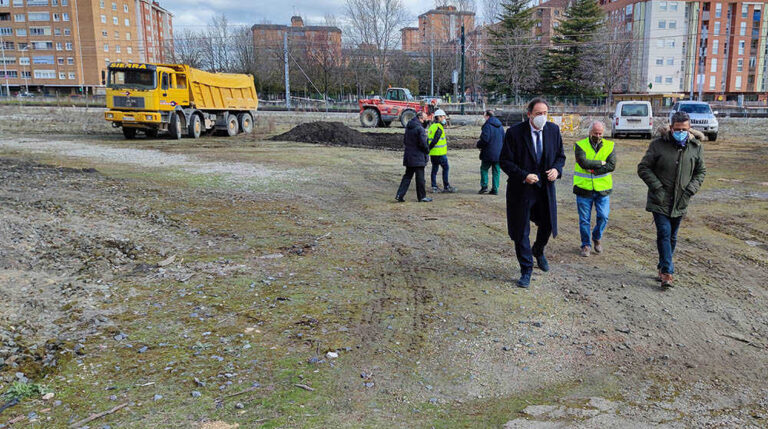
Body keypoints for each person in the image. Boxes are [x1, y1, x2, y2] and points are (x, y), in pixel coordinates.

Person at [499, 97, 566, 288]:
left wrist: (556, 170)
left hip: (545, 188)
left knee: (547, 225)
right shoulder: (514, 133)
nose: (542, 117)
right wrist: (523, 175)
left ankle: (538, 250)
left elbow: (560, 156)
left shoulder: (553, 131)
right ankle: (526, 269)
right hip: (521, 189)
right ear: (529, 114)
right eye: (538, 114)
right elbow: (505, 161)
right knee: (521, 231)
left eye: (545, 113)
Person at [638, 111, 706, 288]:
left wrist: (691, 190)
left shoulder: (695, 147)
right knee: (664, 233)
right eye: (677, 129)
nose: (681, 132)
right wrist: (657, 187)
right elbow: (643, 168)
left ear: (689, 128)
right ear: (671, 128)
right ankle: (668, 272)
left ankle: (662, 266)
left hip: (681, 200)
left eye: (684, 129)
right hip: (659, 199)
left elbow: (700, 171)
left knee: (673, 236)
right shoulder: (658, 145)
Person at [573, 120, 616, 257]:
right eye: (595, 133)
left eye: (600, 133)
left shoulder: (610, 146)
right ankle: (586, 245)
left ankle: (596, 237)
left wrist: (595, 171)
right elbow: (583, 162)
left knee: (603, 216)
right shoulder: (580, 145)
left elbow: (612, 165)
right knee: (584, 219)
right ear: (590, 132)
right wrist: (601, 163)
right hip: (583, 189)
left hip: (603, 189)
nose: (598, 135)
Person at [396, 112, 433, 203]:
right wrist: (427, 150)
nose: (426, 121)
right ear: (421, 119)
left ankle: (399, 194)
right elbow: (423, 143)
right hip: (418, 156)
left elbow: (405, 141)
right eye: (425, 119)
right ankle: (422, 197)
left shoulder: (408, 127)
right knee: (420, 178)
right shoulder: (420, 129)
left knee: (407, 176)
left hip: (409, 156)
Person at [477, 110, 505, 195]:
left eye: (484, 115)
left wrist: (479, 144)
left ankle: (484, 186)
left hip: (488, 153)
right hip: (498, 153)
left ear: (487, 116)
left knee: (484, 169)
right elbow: (504, 139)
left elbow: (485, 139)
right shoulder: (500, 126)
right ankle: (495, 189)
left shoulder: (487, 126)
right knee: (496, 171)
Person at [428, 109, 455, 193]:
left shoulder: (432, 126)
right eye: (443, 117)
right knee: (446, 168)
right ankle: (446, 186)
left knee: (434, 170)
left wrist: (428, 149)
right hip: (440, 153)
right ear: (438, 117)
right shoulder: (439, 128)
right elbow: (435, 140)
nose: (444, 118)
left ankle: (434, 186)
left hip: (433, 153)